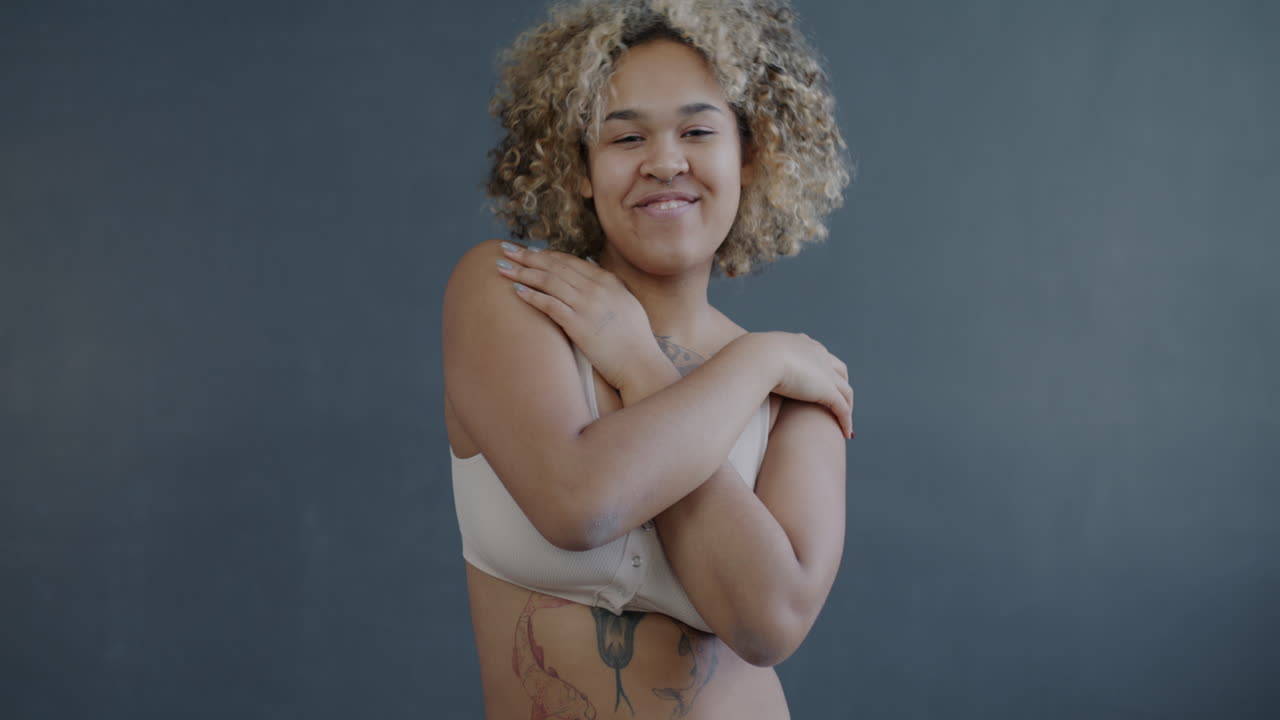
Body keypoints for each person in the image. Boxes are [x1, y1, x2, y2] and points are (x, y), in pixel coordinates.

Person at [442, 0, 853, 716]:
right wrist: (753, 366)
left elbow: (768, 622)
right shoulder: (508, 295)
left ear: (750, 157)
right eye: (626, 137)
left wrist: (655, 364)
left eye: (698, 130)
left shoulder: (794, 388)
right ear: (579, 169)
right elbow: (580, 503)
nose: (666, 161)